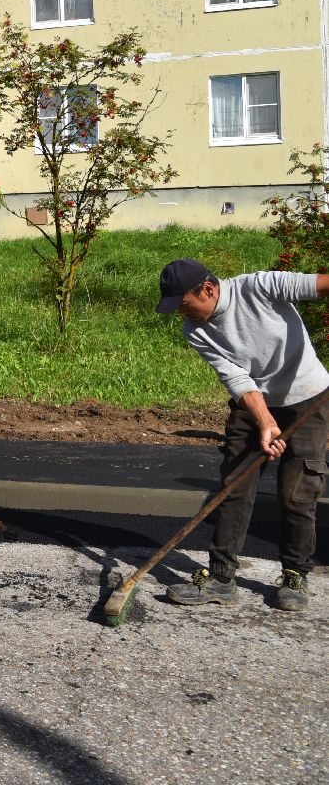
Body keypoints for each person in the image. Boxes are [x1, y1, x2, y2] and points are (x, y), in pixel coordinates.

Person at [156, 259, 329, 612]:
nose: (181, 314)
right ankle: (221, 578)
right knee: (235, 487)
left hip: (309, 397)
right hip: (252, 405)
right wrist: (265, 421)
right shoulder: (195, 329)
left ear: (208, 289)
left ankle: (295, 572)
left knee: (298, 492)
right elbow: (236, 378)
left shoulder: (260, 287)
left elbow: (320, 285)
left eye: (184, 305)